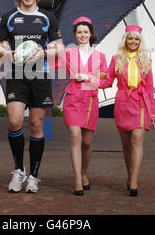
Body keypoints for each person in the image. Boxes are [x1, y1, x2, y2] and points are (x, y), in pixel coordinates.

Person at [0, 0, 64, 193]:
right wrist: (8, 52)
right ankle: (18, 170)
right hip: (16, 74)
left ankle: (33, 176)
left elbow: (60, 48)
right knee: (14, 121)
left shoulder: (47, 17)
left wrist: (44, 52)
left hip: (40, 75)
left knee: (36, 125)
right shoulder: (9, 17)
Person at [52, 16, 108, 195]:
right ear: (75, 35)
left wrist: (89, 77)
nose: (82, 35)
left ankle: (84, 173)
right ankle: (77, 179)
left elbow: (106, 81)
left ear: (91, 33)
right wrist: (52, 46)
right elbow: (54, 64)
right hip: (73, 99)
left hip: (91, 101)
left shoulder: (101, 57)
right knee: (75, 136)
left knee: (87, 142)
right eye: (79, 32)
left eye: (85, 32)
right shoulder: (68, 54)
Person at [99, 24, 155, 197]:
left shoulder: (147, 61)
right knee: (126, 145)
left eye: (136, 39)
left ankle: (134, 181)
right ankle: (130, 175)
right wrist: (89, 79)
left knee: (137, 142)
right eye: (130, 38)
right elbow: (107, 81)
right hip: (123, 103)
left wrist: (152, 112)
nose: (133, 41)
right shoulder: (117, 59)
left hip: (140, 104)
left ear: (140, 42)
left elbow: (150, 88)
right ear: (125, 40)